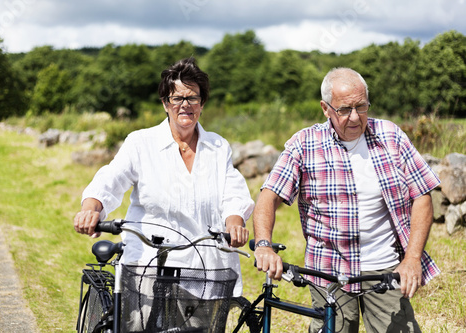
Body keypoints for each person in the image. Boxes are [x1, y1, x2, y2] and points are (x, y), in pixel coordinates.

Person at [252, 67, 440, 332]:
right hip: (329, 267)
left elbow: (421, 194)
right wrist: (263, 245)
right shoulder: (304, 144)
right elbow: (268, 196)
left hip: (384, 266)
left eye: (361, 107)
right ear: (325, 108)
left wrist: (412, 258)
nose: (354, 117)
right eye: (344, 109)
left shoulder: (391, 136)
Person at [73, 57, 254, 297]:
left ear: (202, 103)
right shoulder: (141, 143)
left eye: (192, 98)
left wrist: (235, 223)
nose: (185, 104)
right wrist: (91, 208)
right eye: (177, 98)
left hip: (204, 271)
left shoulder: (218, 146)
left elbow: (232, 193)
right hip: (148, 266)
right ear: (165, 103)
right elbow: (111, 179)